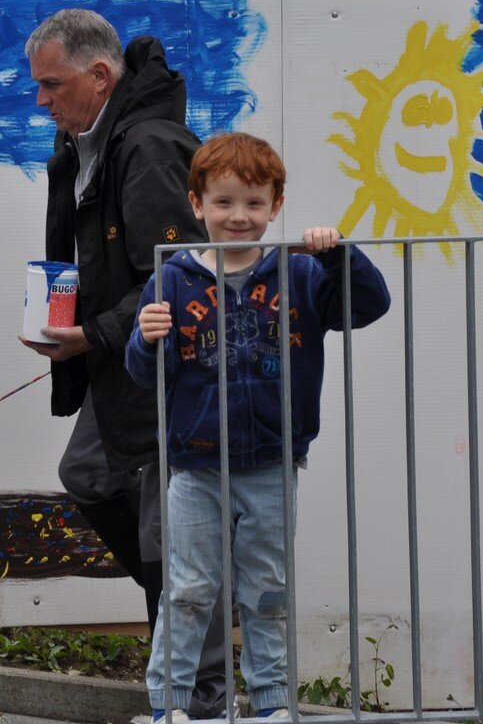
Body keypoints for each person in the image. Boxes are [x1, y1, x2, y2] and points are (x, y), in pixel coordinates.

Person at [126, 133, 391, 722]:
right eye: (223, 202)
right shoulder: (171, 279)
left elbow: (370, 305)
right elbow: (144, 374)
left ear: (276, 206)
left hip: (272, 464)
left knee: (267, 592)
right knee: (188, 591)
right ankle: (169, 706)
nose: (238, 216)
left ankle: (272, 705)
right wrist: (145, 340)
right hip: (194, 468)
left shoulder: (300, 272)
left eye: (253, 202)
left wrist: (338, 255)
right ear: (196, 204)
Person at [20, 9, 230, 717]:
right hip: (126, 359)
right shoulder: (86, 144)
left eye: (52, 85)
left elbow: (182, 273)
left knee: (169, 537)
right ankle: (179, 629)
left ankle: (199, 698)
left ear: (101, 75)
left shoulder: (146, 146)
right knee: (88, 475)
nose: (42, 100)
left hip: (175, 368)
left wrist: (92, 334)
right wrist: (66, 319)